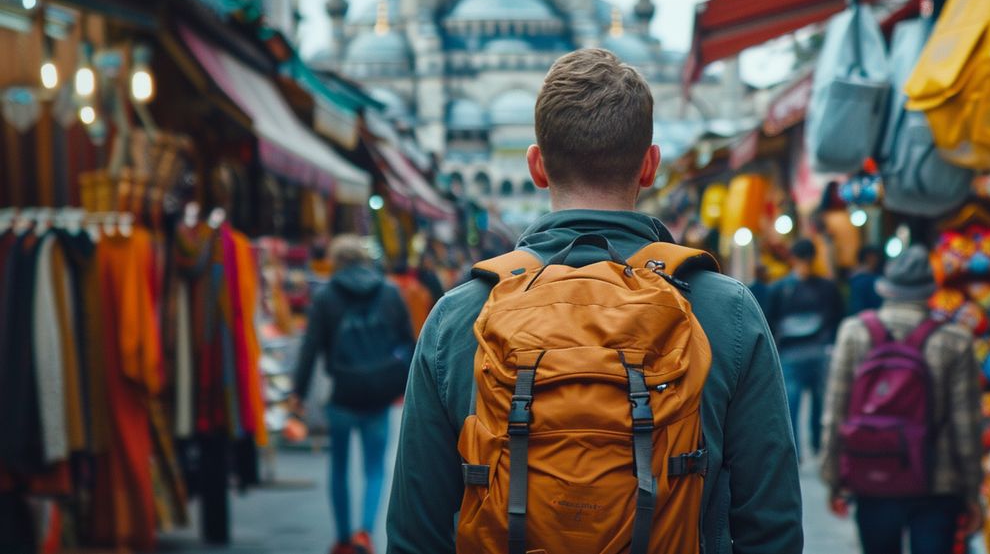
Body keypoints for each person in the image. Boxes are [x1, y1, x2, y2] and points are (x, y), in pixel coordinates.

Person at [387, 48, 803, 554]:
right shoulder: (724, 309)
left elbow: (415, 533)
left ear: (537, 166)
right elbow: (772, 525)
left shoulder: (460, 315)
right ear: (650, 166)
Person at [821, 245, 984, 554]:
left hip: (872, 474)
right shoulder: (955, 339)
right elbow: (967, 425)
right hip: (938, 481)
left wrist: (833, 479)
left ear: (886, 288)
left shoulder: (854, 332)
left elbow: (835, 412)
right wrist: (972, 491)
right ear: (929, 291)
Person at [290, 235, 415, 554]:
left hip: (342, 393)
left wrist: (298, 396)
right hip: (378, 392)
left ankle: (343, 538)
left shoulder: (327, 297)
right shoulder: (389, 292)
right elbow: (408, 342)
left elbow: (310, 350)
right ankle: (365, 533)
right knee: (375, 467)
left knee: (340, 466)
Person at [766, 237, 844, 458]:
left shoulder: (820, 287)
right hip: (797, 353)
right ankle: (799, 450)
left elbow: (837, 315)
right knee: (794, 402)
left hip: (813, 352)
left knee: (813, 402)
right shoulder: (781, 289)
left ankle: (815, 445)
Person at [847, 245, 884, 314]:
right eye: (873, 256)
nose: (875, 259)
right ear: (867, 257)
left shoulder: (855, 277)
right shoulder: (861, 280)